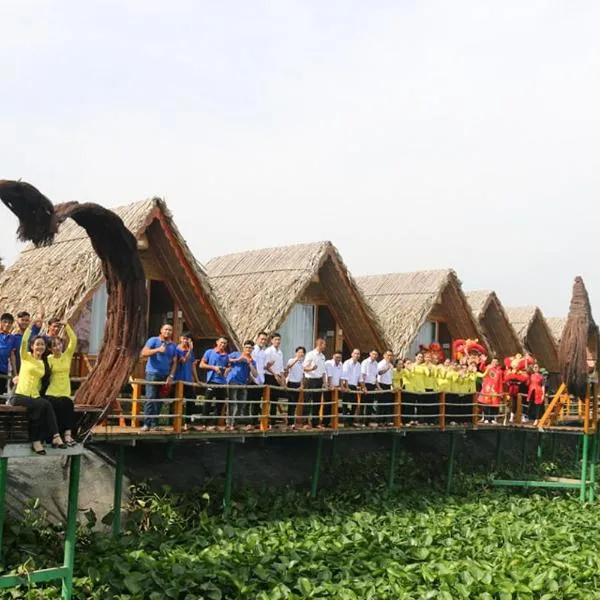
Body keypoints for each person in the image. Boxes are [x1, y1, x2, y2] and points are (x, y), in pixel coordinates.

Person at [11, 327, 65, 454]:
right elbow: (23, 343)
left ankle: (37, 441)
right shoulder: (26, 356)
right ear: (32, 346)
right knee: (44, 404)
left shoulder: (42, 363)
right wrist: (31, 328)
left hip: (34, 396)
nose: (40, 347)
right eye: (38, 344)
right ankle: (55, 436)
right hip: (19, 395)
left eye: (42, 345)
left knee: (42, 407)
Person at [140, 323, 178, 432]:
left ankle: (154, 424)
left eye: (170, 330)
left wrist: (171, 375)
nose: (168, 332)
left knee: (159, 399)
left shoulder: (173, 345)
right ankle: (146, 424)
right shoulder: (153, 340)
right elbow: (143, 353)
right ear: (161, 330)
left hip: (165, 375)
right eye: (166, 329)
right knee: (150, 397)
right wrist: (157, 350)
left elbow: (174, 362)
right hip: (152, 373)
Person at [45, 322, 77, 446]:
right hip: (52, 391)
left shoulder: (67, 356)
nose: (57, 347)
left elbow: (73, 340)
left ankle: (68, 436)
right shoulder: (48, 359)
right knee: (55, 407)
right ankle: (54, 436)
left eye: (58, 344)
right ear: (50, 349)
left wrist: (66, 325)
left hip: (64, 391)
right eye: (54, 346)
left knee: (68, 404)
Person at [226, 340, 258, 430]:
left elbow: (255, 374)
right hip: (233, 380)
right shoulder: (236, 354)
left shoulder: (252, 361)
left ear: (252, 349)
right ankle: (230, 423)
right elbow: (225, 359)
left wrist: (249, 363)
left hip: (243, 383)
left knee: (242, 404)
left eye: (250, 348)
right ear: (243, 348)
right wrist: (238, 360)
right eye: (246, 347)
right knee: (232, 403)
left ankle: (235, 422)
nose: (248, 349)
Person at [199, 337, 230, 429]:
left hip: (222, 382)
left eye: (224, 343)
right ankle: (204, 423)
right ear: (217, 342)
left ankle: (214, 424)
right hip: (212, 380)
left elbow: (228, 366)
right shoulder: (209, 352)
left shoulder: (226, 355)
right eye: (221, 343)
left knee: (220, 404)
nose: (223, 345)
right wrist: (213, 367)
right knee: (207, 402)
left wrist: (227, 370)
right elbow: (201, 364)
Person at [174, 332, 197, 431]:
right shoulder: (177, 349)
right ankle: (174, 424)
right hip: (178, 379)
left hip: (188, 380)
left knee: (191, 400)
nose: (185, 341)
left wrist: (196, 379)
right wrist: (190, 350)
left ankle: (187, 423)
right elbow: (183, 360)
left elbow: (192, 366)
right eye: (184, 338)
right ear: (180, 339)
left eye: (187, 339)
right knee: (176, 401)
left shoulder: (190, 351)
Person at [303, 338, 327, 426]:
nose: (325, 346)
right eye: (324, 344)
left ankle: (315, 422)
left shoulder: (323, 356)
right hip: (310, 380)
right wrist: (311, 369)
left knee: (317, 402)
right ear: (319, 345)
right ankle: (305, 422)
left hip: (319, 380)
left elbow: (323, 371)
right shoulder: (310, 354)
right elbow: (304, 367)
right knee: (307, 401)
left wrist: (324, 382)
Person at [264, 333, 285, 421]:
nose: (277, 341)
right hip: (269, 376)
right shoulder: (268, 351)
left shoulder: (280, 352)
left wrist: (282, 378)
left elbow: (281, 367)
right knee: (267, 398)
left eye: (279, 339)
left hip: (278, 377)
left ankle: (272, 420)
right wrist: (275, 375)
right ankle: (265, 419)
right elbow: (266, 366)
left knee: (275, 399)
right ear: (272, 341)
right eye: (276, 339)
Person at [478, 358, 503, 423]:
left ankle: (492, 419)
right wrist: (483, 361)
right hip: (487, 389)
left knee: (493, 405)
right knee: (486, 404)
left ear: (497, 363)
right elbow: (481, 368)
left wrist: (500, 391)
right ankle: (486, 418)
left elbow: (500, 382)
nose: (494, 363)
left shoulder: (500, 371)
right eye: (493, 361)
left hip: (494, 390)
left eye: (495, 361)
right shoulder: (488, 368)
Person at [249, 332, 268, 420]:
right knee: (250, 401)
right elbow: (248, 363)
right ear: (257, 339)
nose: (263, 341)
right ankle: (248, 422)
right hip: (252, 379)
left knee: (257, 402)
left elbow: (262, 367)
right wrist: (250, 377)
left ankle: (254, 421)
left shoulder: (264, 353)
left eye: (265, 339)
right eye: (261, 339)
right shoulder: (252, 350)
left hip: (260, 380)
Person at [284, 346, 305, 428]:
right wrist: (297, 359)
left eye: (302, 352)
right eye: (299, 352)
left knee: (295, 404)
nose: (301, 354)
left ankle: (292, 421)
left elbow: (303, 375)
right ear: (296, 353)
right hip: (291, 383)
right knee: (291, 403)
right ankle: (290, 422)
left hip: (298, 384)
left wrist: (301, 385)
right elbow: (288, 367)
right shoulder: (291, 360)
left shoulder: (303, 363)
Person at [341, 348, 361, 425]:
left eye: (358, 354)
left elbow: (360, 377)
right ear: (352, 354)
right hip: (347, 385)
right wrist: (346, 387)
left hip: (354, 386)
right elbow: (345, 376)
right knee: (345, 404)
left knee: (354, 404)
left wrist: (362, 386)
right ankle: (345, 421)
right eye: (355, 353)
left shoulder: (359, 365)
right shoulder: (347, 363)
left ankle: (351, 420)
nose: (356, 355)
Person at [323, 350, 343, 427]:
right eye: (337, 357)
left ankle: (332, 422)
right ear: (333, 356)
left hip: (336, 388)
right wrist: (330, 385)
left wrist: (341, 386)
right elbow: (328, 375)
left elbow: (341, 376)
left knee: (335, 406)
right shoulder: (328, 363)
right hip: (329, 388)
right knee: (327, 405)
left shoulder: (341, 364)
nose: (338, 359)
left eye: (340, 357)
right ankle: (325, 422)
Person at [360, 350, 380, 425]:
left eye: (376, 354)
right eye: (373, 354)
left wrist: (378, 386)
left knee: (369, 404)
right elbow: (362, 375)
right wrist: (363, 386)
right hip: (365, 384)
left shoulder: (376, 363)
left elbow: (375, 376)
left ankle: (367, 422)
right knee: (363, 404)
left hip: (372, 385)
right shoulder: (365, 362)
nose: (374, 356)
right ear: (370, 354)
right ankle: (361, 421)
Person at [0, 313, 15, 399]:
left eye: (9, 323)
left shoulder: (12, 338)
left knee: (1, 395)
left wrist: (15, 373)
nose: (7, 324)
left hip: (3, 371)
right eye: (5, 322)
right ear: (1, 322)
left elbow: (12, 356)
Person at [377, 350, 394, 424]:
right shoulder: (381, 363)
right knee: (381, 404)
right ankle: (379, 421)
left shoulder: (391, 364)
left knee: (388, 404)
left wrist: (392, 386)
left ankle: (386, 420)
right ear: (384, 355)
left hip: (388, 385)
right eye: (388, 355)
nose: (389, 357)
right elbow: (379, 373)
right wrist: (386, 368)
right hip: (382, 384)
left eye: (391, 355)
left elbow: (391, 377)